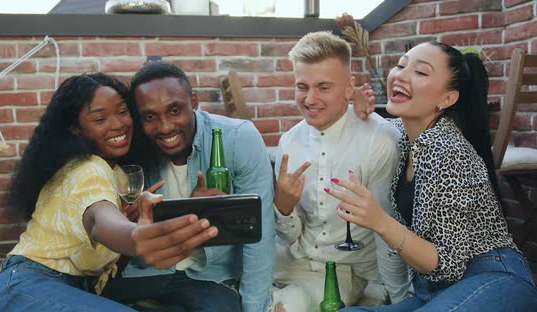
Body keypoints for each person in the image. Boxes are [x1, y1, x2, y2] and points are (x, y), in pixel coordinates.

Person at [0, 72, 218, 312]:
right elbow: (98, 219)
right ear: (76, 129)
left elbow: (106, 241)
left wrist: (133, 224)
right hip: (30, 285)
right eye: (100, 118)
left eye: (123, 112)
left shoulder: (116, 175)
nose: (118, 124)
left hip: (62, 291)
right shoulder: (90, 169)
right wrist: (135, 235)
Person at [335, 41, 537, 311]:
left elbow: (448, 267)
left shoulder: (448, 151)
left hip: (492, 276)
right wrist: (357, 108)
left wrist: (379, 220)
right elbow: (372, 125)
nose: (402, 75)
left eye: (420, 72)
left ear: (447, 99)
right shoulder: (403, 136)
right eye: (401, 65)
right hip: (432, 290)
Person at [102, 61, 276, 311]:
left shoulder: (237, 139)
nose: (165, 127)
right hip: (147, 274)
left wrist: (255, 309)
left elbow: (260, 236)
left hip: (210, 277)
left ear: (194, 103)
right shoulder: (133, 151)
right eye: (150, 116)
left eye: (174, 110)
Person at [271, 31, 410, 311]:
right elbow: (287, 236)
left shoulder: (378, 139)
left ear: (349, 88)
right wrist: (283, 209)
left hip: (343, 272)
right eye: (302, 86)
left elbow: (388, 228)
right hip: (286, 261)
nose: (309, 99)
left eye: (323, 87)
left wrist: (400, 300)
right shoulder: (289, 141)